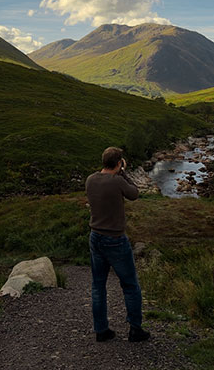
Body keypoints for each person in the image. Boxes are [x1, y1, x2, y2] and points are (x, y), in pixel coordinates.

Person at [85, 146, 150, 343]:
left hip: (95, 236)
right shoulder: (118, 181)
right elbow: (134, 193)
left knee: (98, 286)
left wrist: (118, 170)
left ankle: (101, 330)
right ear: (119, 162)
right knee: (130, 285)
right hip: (115, 239)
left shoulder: (90, 179)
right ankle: (135, 330)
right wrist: (124, 172)